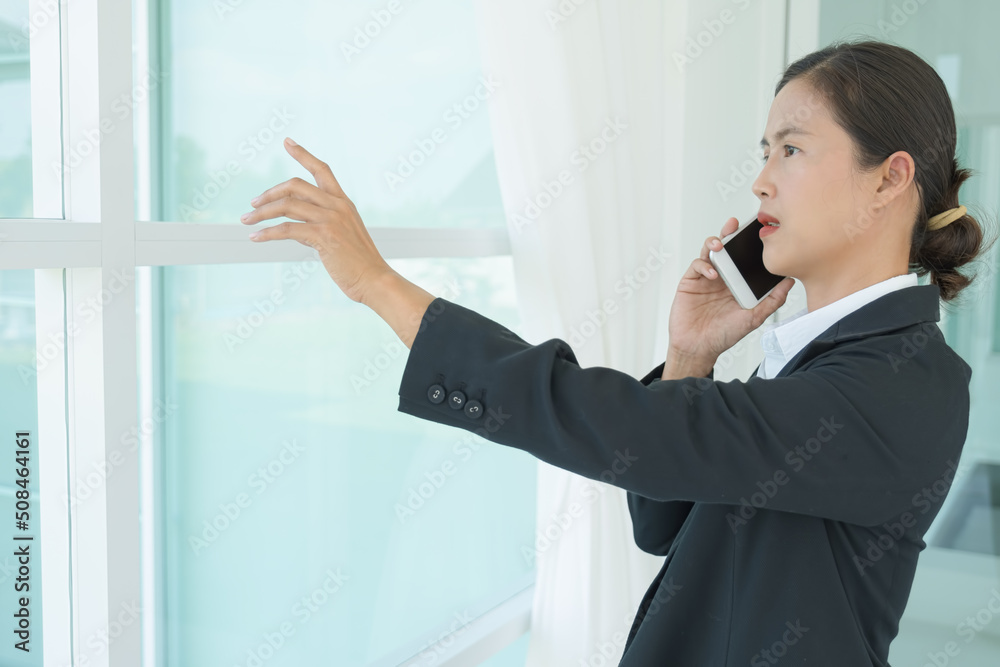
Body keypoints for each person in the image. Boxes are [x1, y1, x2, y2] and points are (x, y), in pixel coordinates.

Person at [241, 39, 997, 666]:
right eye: (765, 151)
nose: (762, 180)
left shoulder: (902, 384)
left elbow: (623, 425)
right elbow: (662, 521)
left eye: (792, 149)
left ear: (889, 178)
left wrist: (379, 286)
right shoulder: (816, 356)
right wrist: (688, 356)